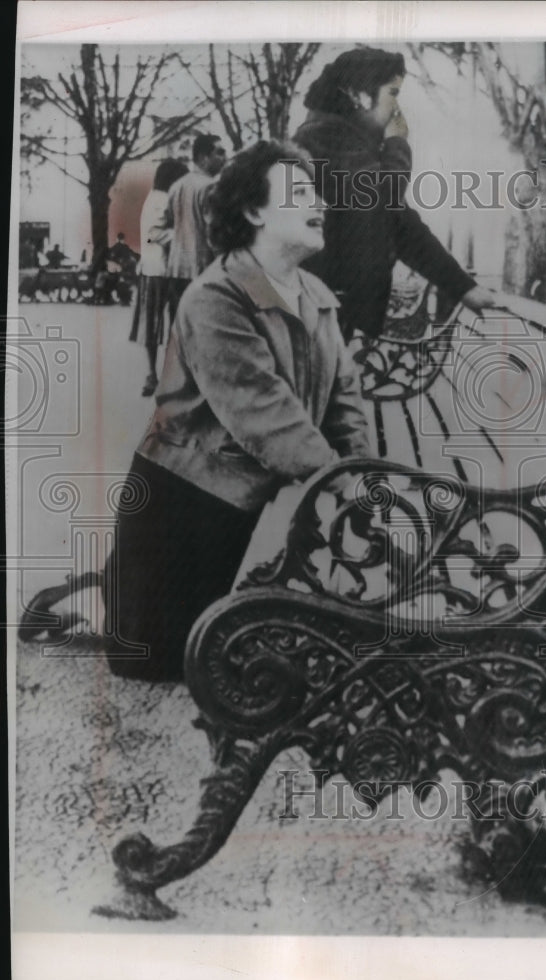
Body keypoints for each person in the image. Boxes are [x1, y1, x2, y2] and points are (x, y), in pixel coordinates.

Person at [103, 139, 370, 683]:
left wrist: (367, 476)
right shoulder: (214, 298)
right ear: (253, 212)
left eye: (316, 191)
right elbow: (264, 412)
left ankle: (107, 593)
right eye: (299, 193)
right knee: (150, 660)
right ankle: (95, 597)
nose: (319, 202)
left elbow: (345, 401)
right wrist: (345, 486)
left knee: (216, 650)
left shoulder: (316, 294)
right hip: (179, 503)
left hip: (235, 505)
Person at [294, 47, 496, 342]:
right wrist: (397, 144)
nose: (396, 111)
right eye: (393, 93)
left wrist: (463, 287)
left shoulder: (341, 140)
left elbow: (401, 225)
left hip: (337, 321)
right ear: (358, 95)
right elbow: (384, 201)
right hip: (325, 324)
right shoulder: (325, 137)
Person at [129, 158, 189, 396]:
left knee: (153, 324)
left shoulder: (154, 197)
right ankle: (159, 375)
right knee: (167, 322)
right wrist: (183, 237)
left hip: (151, 268)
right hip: (161, 269)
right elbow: (155, 233)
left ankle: (153, 374)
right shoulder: (162, 199)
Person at [164, 133, 227, 322]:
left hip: (176, 268)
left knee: (179, 329)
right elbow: (214, 232)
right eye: (220, 153)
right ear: (202, 157)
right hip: (201, 269)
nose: (225, 158)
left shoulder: (176, 186)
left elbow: (169, 222)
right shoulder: (211, 187)